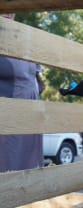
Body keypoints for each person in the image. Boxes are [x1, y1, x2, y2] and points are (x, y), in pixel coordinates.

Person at [0, 13, 44, 172]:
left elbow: (39, 82)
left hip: (28, 118)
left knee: (26, 172)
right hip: (6, 119)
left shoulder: (24, 38)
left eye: (13, 8)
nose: (8, 12)